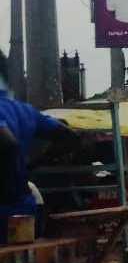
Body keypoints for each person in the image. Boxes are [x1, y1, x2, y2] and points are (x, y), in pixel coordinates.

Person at [0, 75, 75, 243]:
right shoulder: (25, 110)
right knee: (22, 256)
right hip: (24, 207)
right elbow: (70, 137)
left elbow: (8, 144)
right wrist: (35, 163)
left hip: (5, 205)